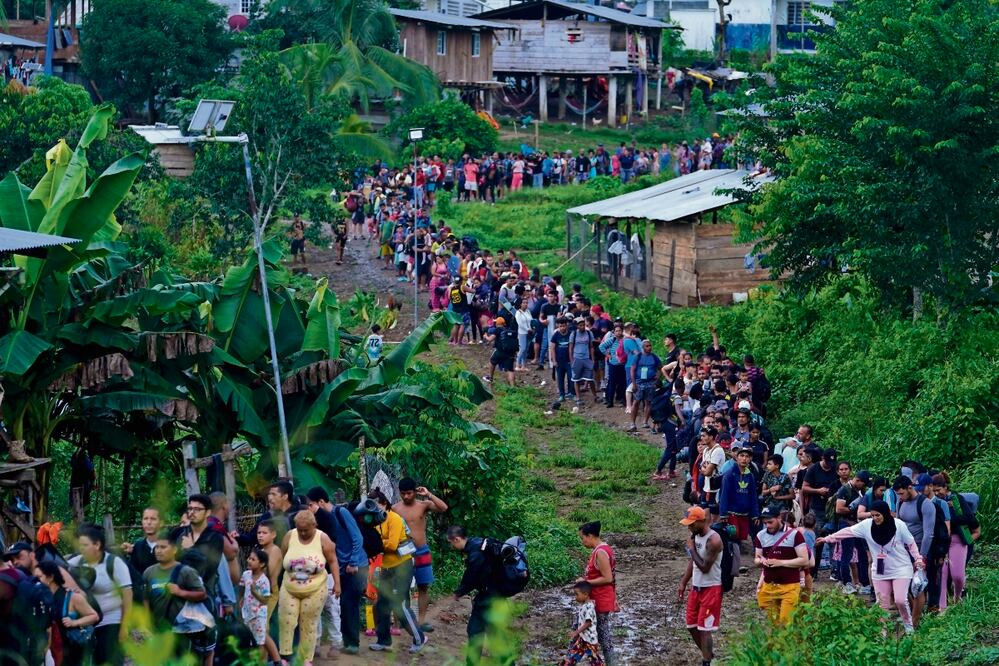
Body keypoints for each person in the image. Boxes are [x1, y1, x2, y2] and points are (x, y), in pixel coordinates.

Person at [818, 500, 924, 633]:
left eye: (878, 515)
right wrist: (828, 538)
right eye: (873, 515)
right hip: (880, 570)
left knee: (900, 600)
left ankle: (909, 630)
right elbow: (848, 531)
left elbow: (911, 543)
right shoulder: (867, 525)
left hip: (901, 567)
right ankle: (882, 633)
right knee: (882, 604)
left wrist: (918, 559)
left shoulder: (899, 525)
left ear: (885, 513)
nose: (875, 518)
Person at [305, 487, 367, 655]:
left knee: (349, 603)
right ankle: (347, 642)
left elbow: (357, 538)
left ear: (321, 502)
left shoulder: (341, 513)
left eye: (311, 505)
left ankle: (352, 643)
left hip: (356, 565)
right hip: (341, 568)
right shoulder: (322, 520)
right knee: (344, 604)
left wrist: (353, 561)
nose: (309, 509)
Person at [368, 489, 427, 653]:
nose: (373, 508)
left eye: (376, 505)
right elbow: (379, 543)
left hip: (402, 565)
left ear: (383, 504)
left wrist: (377, 543)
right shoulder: (374, 520)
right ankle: (383, 641)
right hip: (387, 566)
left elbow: (392, 545)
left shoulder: (394, 519)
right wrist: (380, 543)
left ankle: (419, 638)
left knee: (399, 604)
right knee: (382, 604)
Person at [279, 511, 341, 664]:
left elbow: (333, 561)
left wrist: (337, 584)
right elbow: (281, 556)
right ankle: (285, 656)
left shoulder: (323, 538)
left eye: (306, 529)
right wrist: (273, 579)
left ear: (314, 525)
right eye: (299, 529)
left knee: (309, 623)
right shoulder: (289, 536)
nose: (302, 533)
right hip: (289, 586)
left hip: (315, 588)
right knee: (286, 619)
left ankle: (306, 659)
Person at [67, 524, 132, 666]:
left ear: (97, 545)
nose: (81, 548)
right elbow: (60, 568)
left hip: (111, 621)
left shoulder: (115, 563)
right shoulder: (78, 562)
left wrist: (124, 627)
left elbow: (127, 596)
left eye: (85, 545)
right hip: (87, 623)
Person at [393, 478, 449, 633]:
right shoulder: (395, 509)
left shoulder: (423, 505)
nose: (406, 496)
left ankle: (422, 621)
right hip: (403, 553)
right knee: (401, 588)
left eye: (409, 493)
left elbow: (443, 507)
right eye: (403, 493)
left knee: (423, 585)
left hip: (421, 551)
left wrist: (428, 494)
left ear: (415, 492)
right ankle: (399, 623)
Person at [447, 525, 498, 665]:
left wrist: (459, 592)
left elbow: (472, 577)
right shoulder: (477, 543)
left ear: (456, 539)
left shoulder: (476, 552)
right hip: (493, 594)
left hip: (488, 596)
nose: (451, 546)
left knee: (475, 631)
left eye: (451, 543)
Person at [677, 507, 722, 666]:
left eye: (692, 524)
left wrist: (691, 549)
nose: (689, 527)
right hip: (696, 587)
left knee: (704, 628)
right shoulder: (695, 537)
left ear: (702, 521)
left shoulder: (714, 540)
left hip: (711, 588)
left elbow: (704, 567)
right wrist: (683, 582)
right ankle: (708, 654)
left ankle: (706, 661)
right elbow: (693, 562)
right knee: (691, 625)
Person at [754, 506, 810, 625]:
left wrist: (781, 563)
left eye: (770, 522)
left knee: (786, 623)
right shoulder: (760, 535)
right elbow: (757, 558)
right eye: (765, 523)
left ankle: (791, 642)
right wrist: (761, 561)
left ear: (779, 518)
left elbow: (805, 560)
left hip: (790, 586)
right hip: (770, 586)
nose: (768, 526)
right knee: (774, 624)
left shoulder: (795, 535)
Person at [36, 560, 99, 666]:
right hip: (54, 653)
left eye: (39, 577)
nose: (36, 581)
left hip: (72, 652)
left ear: (50, 577)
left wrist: (75, 622)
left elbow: (94, 616)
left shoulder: (72, 597)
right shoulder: (42, 597)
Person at [893, 474, 936, 626]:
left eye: (901, 493)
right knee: (904, 586)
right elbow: (898, 525)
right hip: (902, 550)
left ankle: (915, 624)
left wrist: (921, 557)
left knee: (918, 586)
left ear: (909, 488)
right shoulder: (900, 502)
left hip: (919, 550)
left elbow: (928, 534)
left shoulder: (925, 504)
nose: (900, 496)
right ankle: (912, 615)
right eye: (898, 494)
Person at [933, 473, 979, 610]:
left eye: (938, 490)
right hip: (942, 541)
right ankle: (942, 607)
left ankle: (957, 597)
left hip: (957, 539)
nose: (937, 493)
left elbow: (970, 518)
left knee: (957, 575)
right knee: (943, 574)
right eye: (934, 491)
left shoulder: (956, 499)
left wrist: (949, 520)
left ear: (945, 487)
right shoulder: (935, 502)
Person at [577, 522, 617, 666]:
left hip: (601, 599)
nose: (583, 542)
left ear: (590, 535)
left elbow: (608, 578)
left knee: (604, 637)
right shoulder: (602, 549)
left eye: (583, 538)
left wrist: (586, 581)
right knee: (600, 635)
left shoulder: (600, 552)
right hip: (602, 598)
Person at [238, 547, 278, 664]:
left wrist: (254, 592)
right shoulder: (246, 574)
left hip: (259, 615)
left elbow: (265, 600)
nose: (249, 560)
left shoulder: (264, 581)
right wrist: (241, 599)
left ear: (262, 564)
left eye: (253, 559)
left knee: (260, 640)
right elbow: (241, 587)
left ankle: (260, 663)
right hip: (247, 613)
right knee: (250, 640)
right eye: (249, 558)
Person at [233, 481, 302, 548]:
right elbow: (252, 538)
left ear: (285, 496)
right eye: (269, 494)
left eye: (274, 494)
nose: (270, 498)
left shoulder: (301, 513)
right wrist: (238, 537)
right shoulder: (267, 517)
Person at [559, 581, 604, 666]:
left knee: (595, 660)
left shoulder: (589, 607)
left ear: (585, 594)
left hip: (589, 640)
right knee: (574, 654)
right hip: (583, 638)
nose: (575, 597)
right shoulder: (585, 605)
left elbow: (588, 623)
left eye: (577, 594)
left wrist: (577, 632)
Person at [122, 506, 162, 579]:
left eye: (153, 519)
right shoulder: (138, 546)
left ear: (161, 523)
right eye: (145, 519)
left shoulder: (168, 545)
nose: (149, 522)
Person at [569, 317, 599, 405]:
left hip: (586, 358)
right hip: (577, 358)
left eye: (583, 325)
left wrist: (592, 359)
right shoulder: (573, 334)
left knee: (590, 378)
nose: (582, 327)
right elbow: (570, 348)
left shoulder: (589, 334)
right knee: (576, 379)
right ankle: (578, 398)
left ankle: (595, 396)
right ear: (577, 326)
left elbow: (591, 347)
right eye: (580, 325)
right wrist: (571, 360)